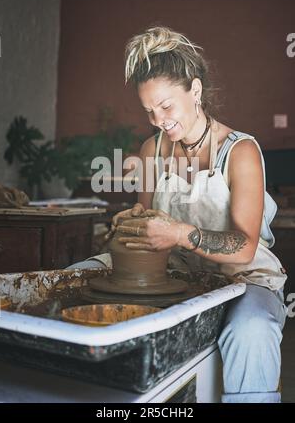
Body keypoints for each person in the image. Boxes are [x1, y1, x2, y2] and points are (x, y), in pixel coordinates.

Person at [110, 26, 288, 403]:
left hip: (245, 278)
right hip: (175, 272)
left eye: (166, 106)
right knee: (81, 281)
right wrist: (134, 223)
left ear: (195, 90)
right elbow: (148, 220)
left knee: (252, 329)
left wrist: (177, 233)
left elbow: (243, 247)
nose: (158, 120)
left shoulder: (240, 152)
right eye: (149, 111)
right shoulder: (151, 151)